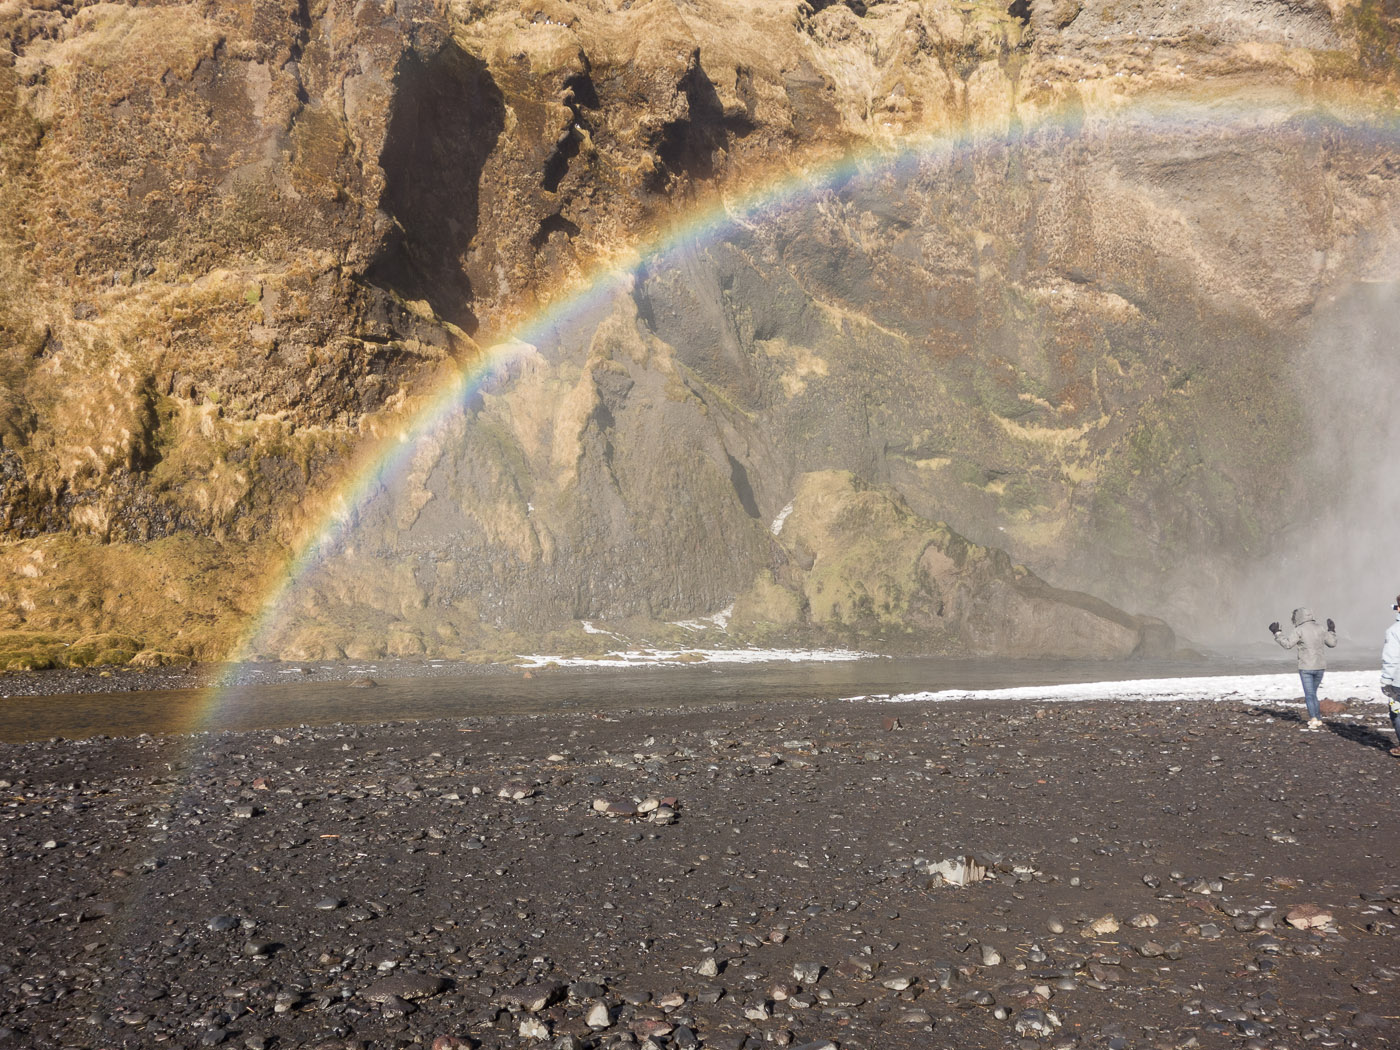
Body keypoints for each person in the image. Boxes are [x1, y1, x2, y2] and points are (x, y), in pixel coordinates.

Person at [1269, 607, 1337, 729]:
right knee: (1313, 694)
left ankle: (1314, 719)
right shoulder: (1320, 628)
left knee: (1310, 694)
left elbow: (1288, 644)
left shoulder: (1299, 629)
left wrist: (1277, 633)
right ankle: (1318, 718)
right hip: (1320, 666)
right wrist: (1331, 630)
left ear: (1298, 617)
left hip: (1306, 667)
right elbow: (1332, 643)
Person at [1381, 595, 1400, 757]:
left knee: (1397, 713)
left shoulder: (1394, 631)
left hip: (1399, 682)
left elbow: (1391, 659)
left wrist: (1386, 681)